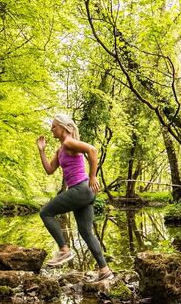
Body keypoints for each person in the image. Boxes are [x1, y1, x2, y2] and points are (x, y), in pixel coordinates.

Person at [36, 114, 114, 282]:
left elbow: (92, 150)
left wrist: (93, 176)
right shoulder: (61, 149)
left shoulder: (69, 142)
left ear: (64, 128)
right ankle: (104, 270)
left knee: (45, 213)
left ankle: (64, 249)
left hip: (82, 189)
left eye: (54, 126)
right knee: (86, 232)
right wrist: (41, 151)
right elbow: (49, 170)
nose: (51, 129)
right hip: (83, 193)